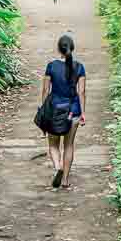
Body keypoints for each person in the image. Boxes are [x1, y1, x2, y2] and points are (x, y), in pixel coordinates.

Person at [41, 33, 86, 189]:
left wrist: (43, 109)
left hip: (54, 109)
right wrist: (83, 112)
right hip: (73, 110)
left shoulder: (51, 66)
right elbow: (81, 92)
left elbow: (46, 90)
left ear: (58, 49)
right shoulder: (79, 67)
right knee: (69, 145)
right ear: (72, 48)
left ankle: (57, 167)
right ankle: (65, 180)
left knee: (53, 144)